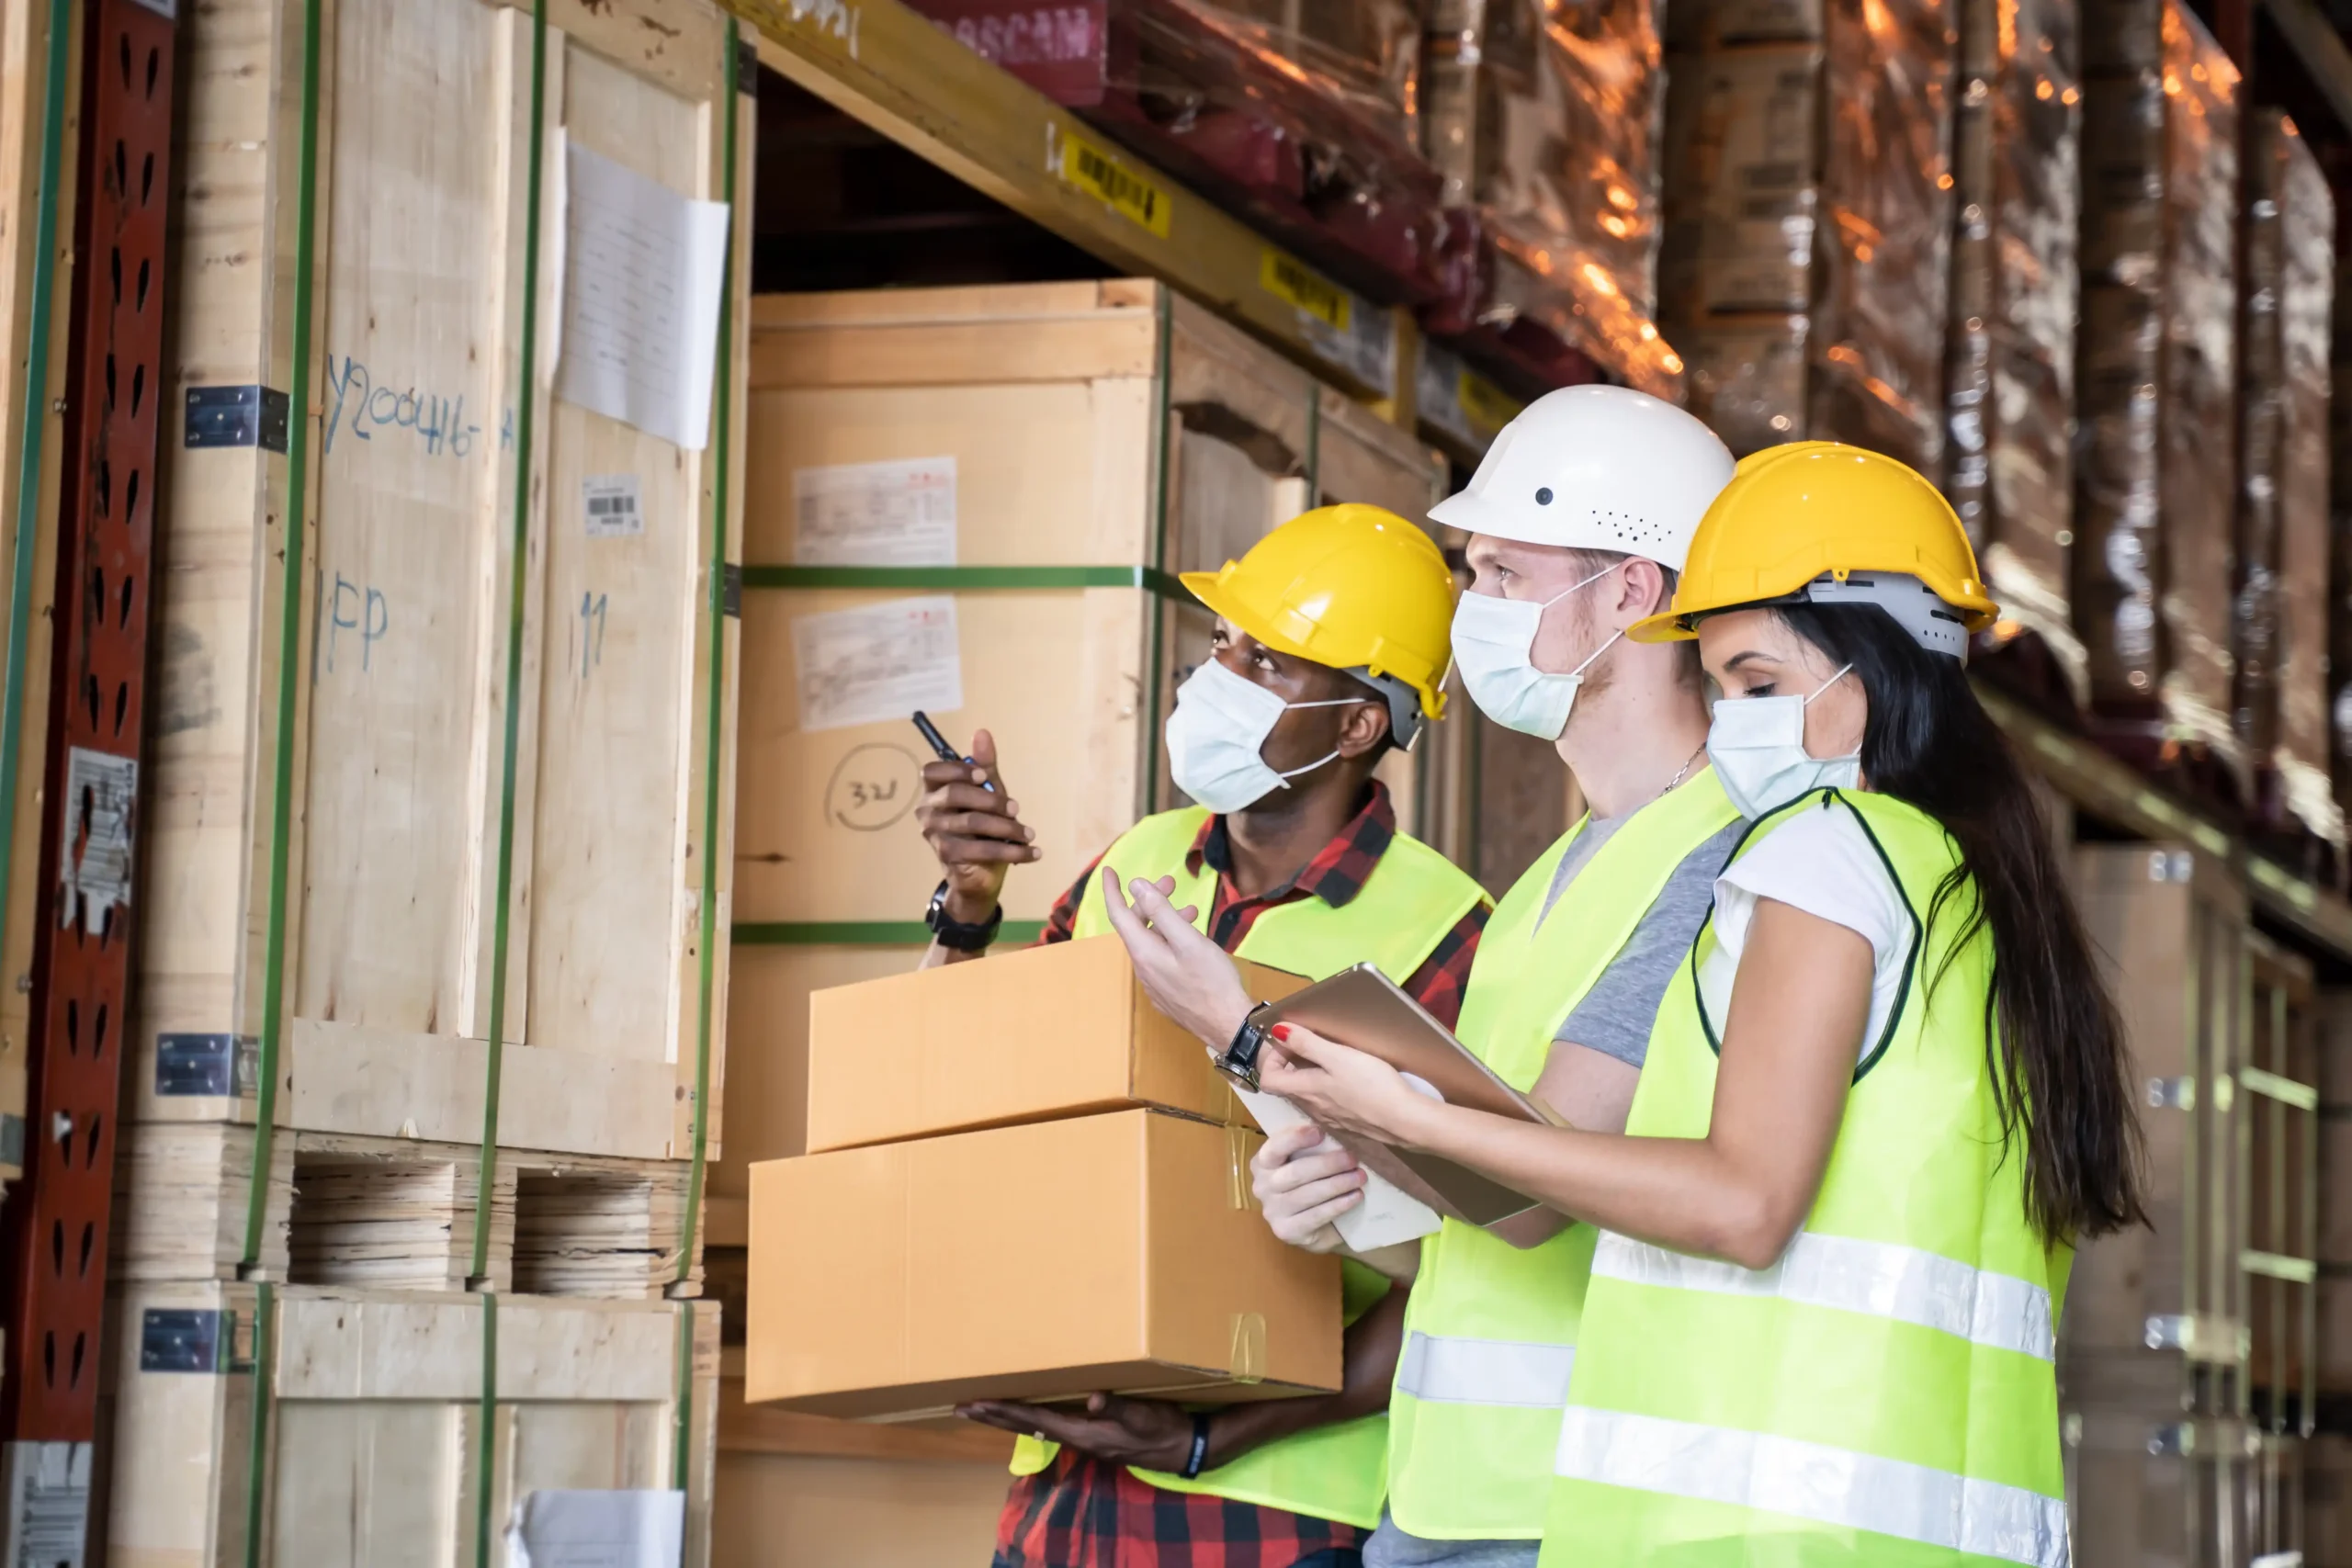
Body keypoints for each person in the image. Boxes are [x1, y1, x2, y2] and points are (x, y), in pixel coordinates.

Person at [1244, 444, 2147, 1565]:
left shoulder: (1827, 852)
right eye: (1720, 688)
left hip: (1758, 1527)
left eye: (1758, 686)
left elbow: (1743, 1201)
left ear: (1865, 665)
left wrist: (1419, 1121)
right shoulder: (1967, 885)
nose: (1733, 725)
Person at [1101, 384, 1744, 1568]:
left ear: (1632, 592)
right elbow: (1472, 1208)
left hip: (1570, 1510)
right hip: (1446, 1496)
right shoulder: (1556, 874)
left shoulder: (1714, 854)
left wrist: (1249, 1039)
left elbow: (1545, 1190)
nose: (1473, 613)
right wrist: (1359, 1204)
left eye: (1503, 574)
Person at [913, 503, 1495, 1568]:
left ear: (1355, 724)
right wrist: (970, 903)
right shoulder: (1138, 861)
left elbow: (1471, 1275)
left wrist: (1201, 1439)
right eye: (1221, 644)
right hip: (1059, 1504)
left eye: (1262, 661)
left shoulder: (1444, 931)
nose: (1214, 677)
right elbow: (965, 1095)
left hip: (1274, 1521)